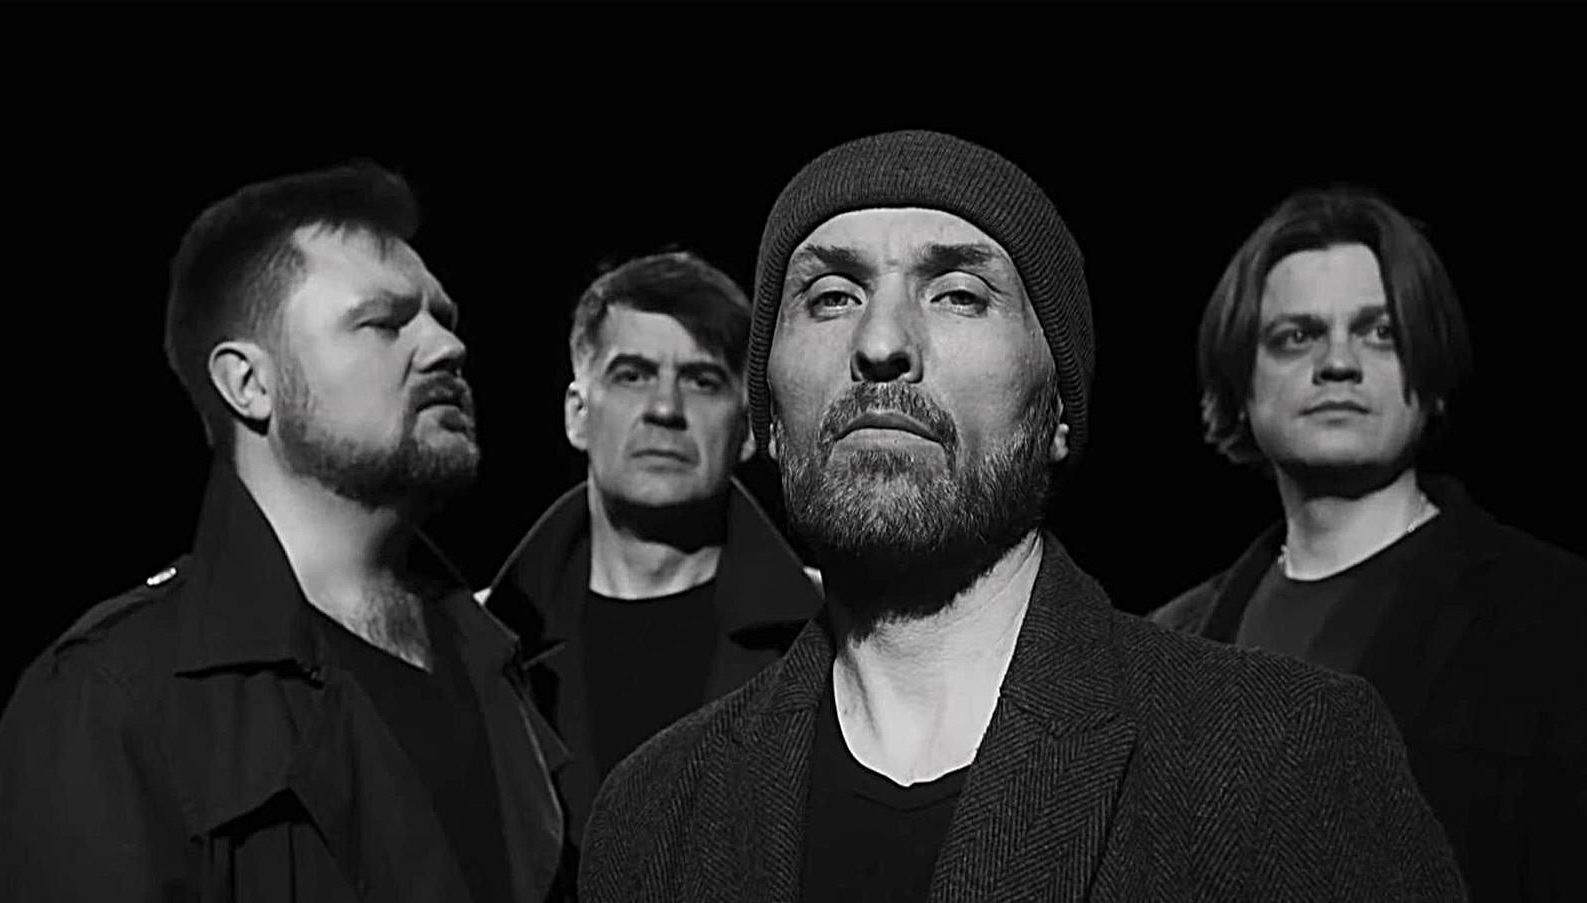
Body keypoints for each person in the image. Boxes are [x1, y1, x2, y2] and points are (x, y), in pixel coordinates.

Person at [576, 130, 1466, 902]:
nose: (880, 343)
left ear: (1059, 407)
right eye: (831, 296)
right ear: (766, 413)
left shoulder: (1286, 759)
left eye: (958, 293)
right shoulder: (653, 813)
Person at [0, 163, 568, 901]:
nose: (446, 348)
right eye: (384, 323)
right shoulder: (111, 700)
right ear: (249, 384)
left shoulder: (502, 661)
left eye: (443, 320)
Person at [1149, 187, 1587, 901]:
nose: (1338, 363)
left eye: (1380, 332)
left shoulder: (1554, 615)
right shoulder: (1169, 642)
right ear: (1240, 386)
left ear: (1430, 369)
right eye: (1296, 336)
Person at [479, 251, 822, 878]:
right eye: (633, 375)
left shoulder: (835, 638)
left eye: (702, 380)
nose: (665, 407)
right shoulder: (479, 643)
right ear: (578, 414)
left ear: (749, 430)